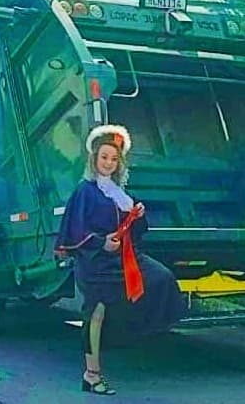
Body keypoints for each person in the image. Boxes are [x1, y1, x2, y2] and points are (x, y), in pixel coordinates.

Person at [55, 124, 187, 395]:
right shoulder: (85, 191)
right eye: (104, 157)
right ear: (94, 158)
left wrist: (138, 215)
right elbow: (74, 230)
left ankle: (136, 337)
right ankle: (91, 375)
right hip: (95, 262)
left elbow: (137, 232)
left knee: (161, 279)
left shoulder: (121, 194)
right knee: (97, 312)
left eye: (114, 159)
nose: (108, 163)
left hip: (126, 257)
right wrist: (102, 242)